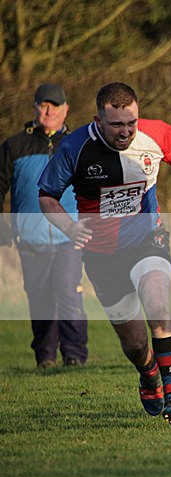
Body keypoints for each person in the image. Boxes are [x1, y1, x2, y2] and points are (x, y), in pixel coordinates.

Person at [38, 82, 171, 427]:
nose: (126, 131)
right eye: (117, 125)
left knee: (158, 305)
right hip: (101, 255)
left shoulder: (156, 134)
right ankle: (148, 375)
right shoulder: (74, 147)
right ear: (98, 120)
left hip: (147, 239)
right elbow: (47, 196)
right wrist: (69, 228)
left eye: (132, 123)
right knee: (134, 343)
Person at [0, 83, 89, 369]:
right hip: (30, 237)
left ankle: (74, 354)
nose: (48, 111)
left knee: (67, 289)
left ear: (66, 110)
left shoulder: (78, 144)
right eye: (43, 105)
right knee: (39, 297)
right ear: (35, 108)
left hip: (70, 235)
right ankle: (45, 357)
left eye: (55, 105)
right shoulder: (14, 146)